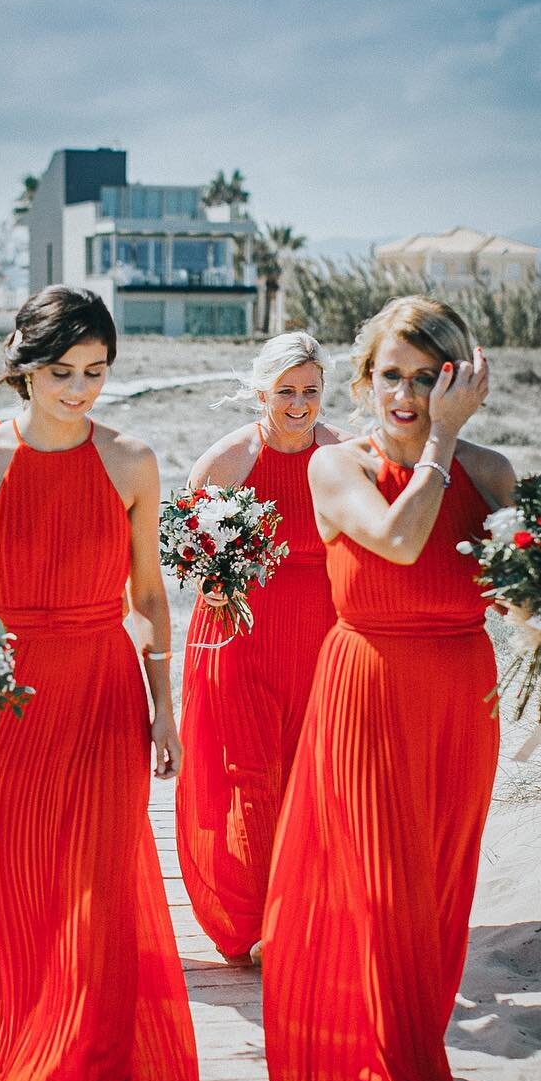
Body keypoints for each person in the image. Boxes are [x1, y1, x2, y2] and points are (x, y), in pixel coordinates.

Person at [262, 295, 541, 1081]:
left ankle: (409, 1062)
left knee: (435, 898)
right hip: (367, 694)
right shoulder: (334, 470)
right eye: (391, 375)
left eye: (429, 376)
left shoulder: (494, 473)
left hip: (457, 698)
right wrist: (438, 443)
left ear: (460, 379)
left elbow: (510, 592)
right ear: (363, 381)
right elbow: (398, 543)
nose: (408, 392)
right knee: (384, 896)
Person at [0, 287, 199, 1081]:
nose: (79, 390)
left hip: (106, 692)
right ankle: (29, 1045)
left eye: (97, 373)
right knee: (16, 879)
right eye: (62, 372)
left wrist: (164, 705)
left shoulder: (133, 461)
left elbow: (149, 597)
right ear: (25, 365)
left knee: (100, 891)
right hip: (8, 701)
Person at [175, 333, 346, 963]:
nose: (300, 404)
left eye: (311, 390)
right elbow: (188, 551)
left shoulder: (344, 454)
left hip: (320, 636)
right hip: (239, 633)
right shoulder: (227, 461)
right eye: (286, 392)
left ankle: (302, 912)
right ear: (261, 393)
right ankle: (251, 918)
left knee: (312, 775)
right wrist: (209, 584)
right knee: (250, 775)